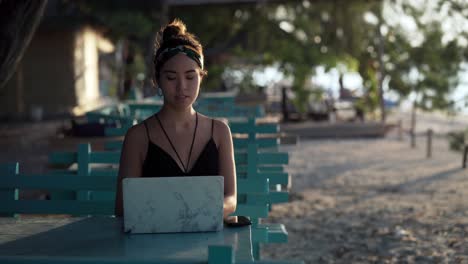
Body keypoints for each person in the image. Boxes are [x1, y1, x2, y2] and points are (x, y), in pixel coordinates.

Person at [114, 19, 237, 222]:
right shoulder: (138, 137)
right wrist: (191, 212)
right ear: (157, 80)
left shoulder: (220, 131)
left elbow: (231, 199)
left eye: (190, 77)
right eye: (171, 78)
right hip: (152, 242)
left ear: (201, 76)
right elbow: (122, 207)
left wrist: (203, 211)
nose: (182, 87)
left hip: (207, 237)